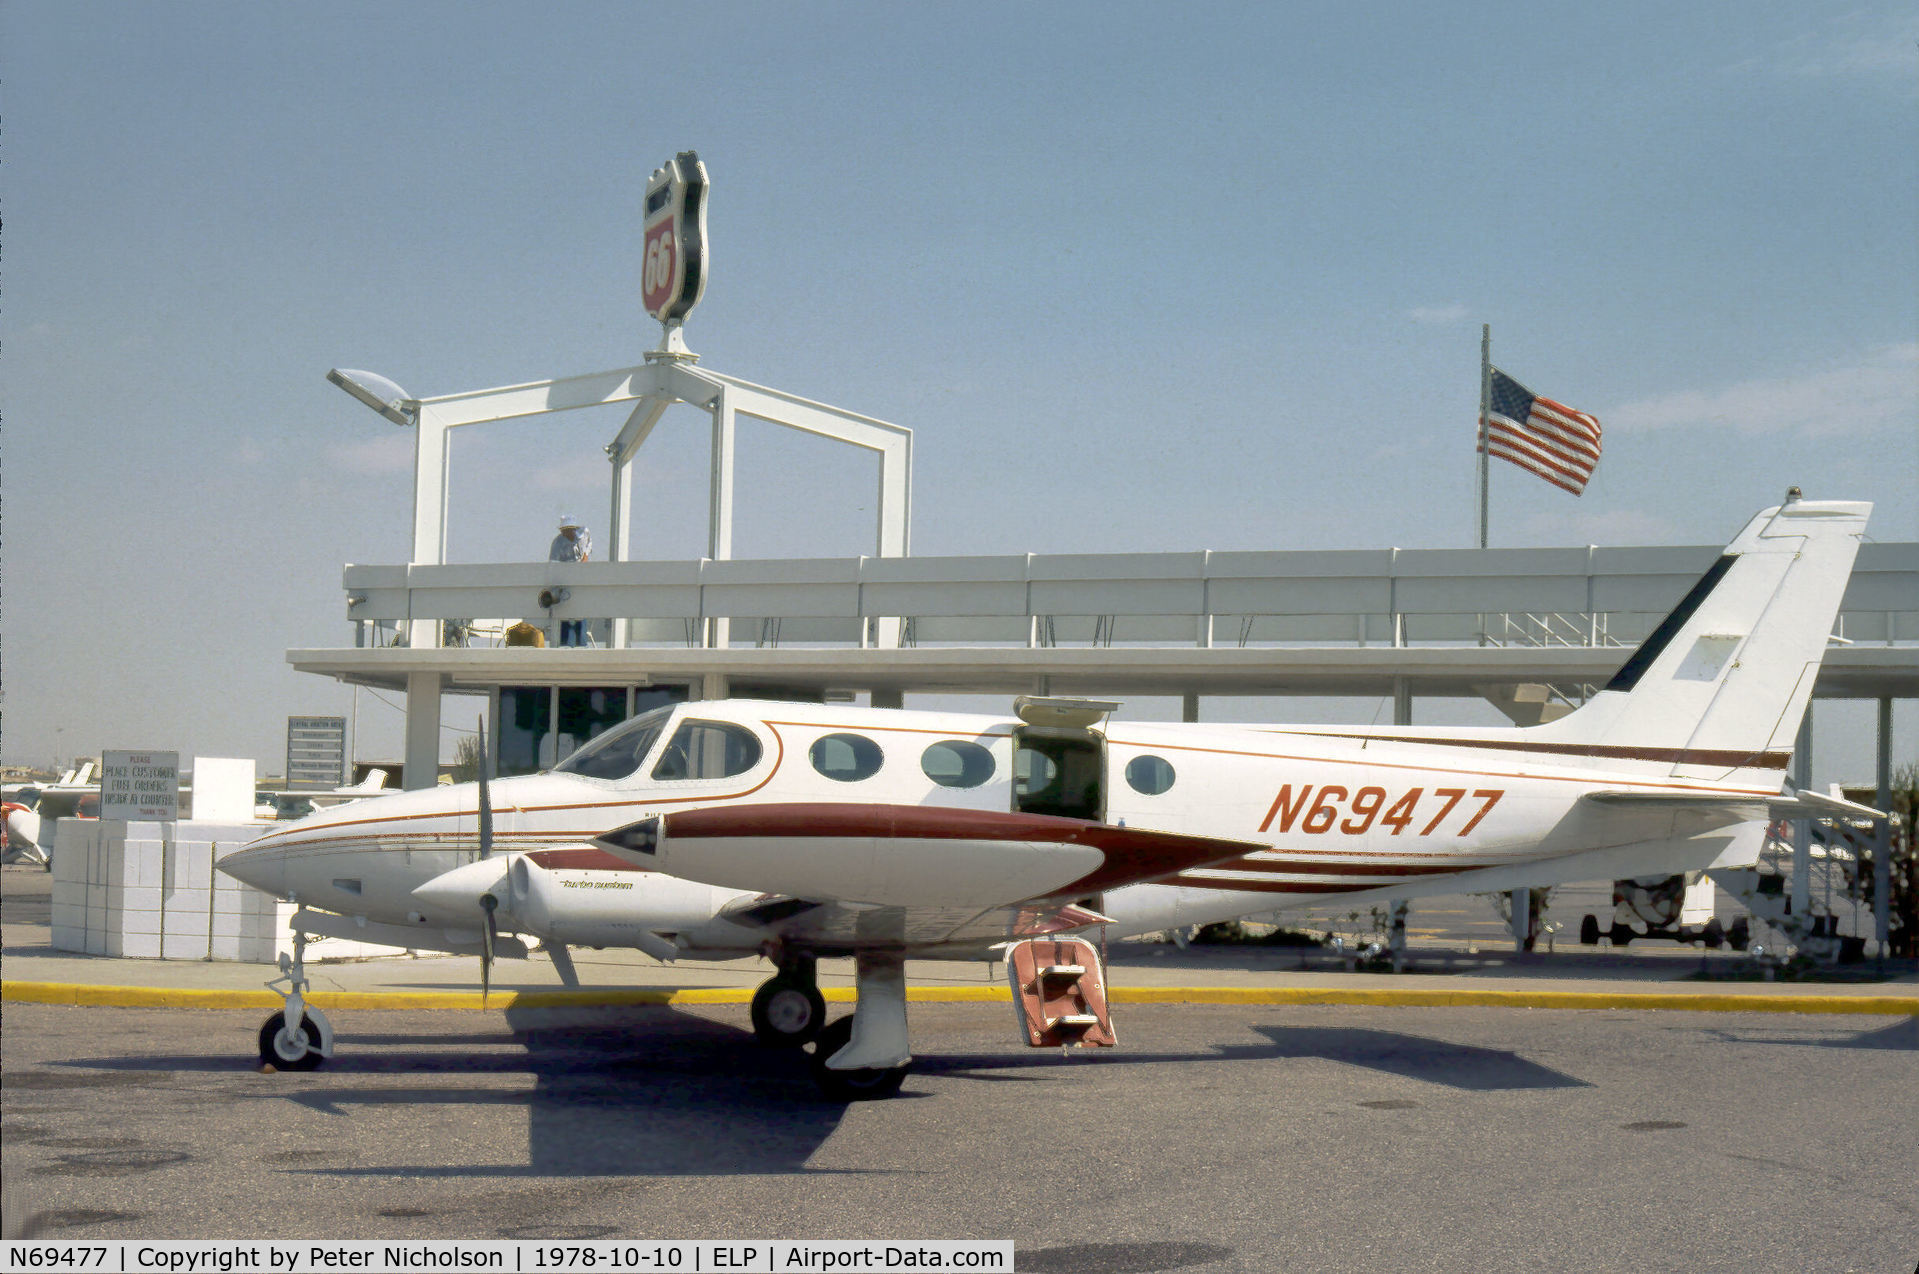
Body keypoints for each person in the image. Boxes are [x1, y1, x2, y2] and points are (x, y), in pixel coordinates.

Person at [548, 515, 591, 646]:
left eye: (569, 530)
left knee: (579, 614)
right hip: (564, 582)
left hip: (579, 581)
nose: (566, 533)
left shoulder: (583, 534)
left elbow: (587, 549)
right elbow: (553, 565)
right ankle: (566, 645)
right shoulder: (558, 543)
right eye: (564, 530)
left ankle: (580, 645)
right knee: (565, 614)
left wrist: (583, 560)